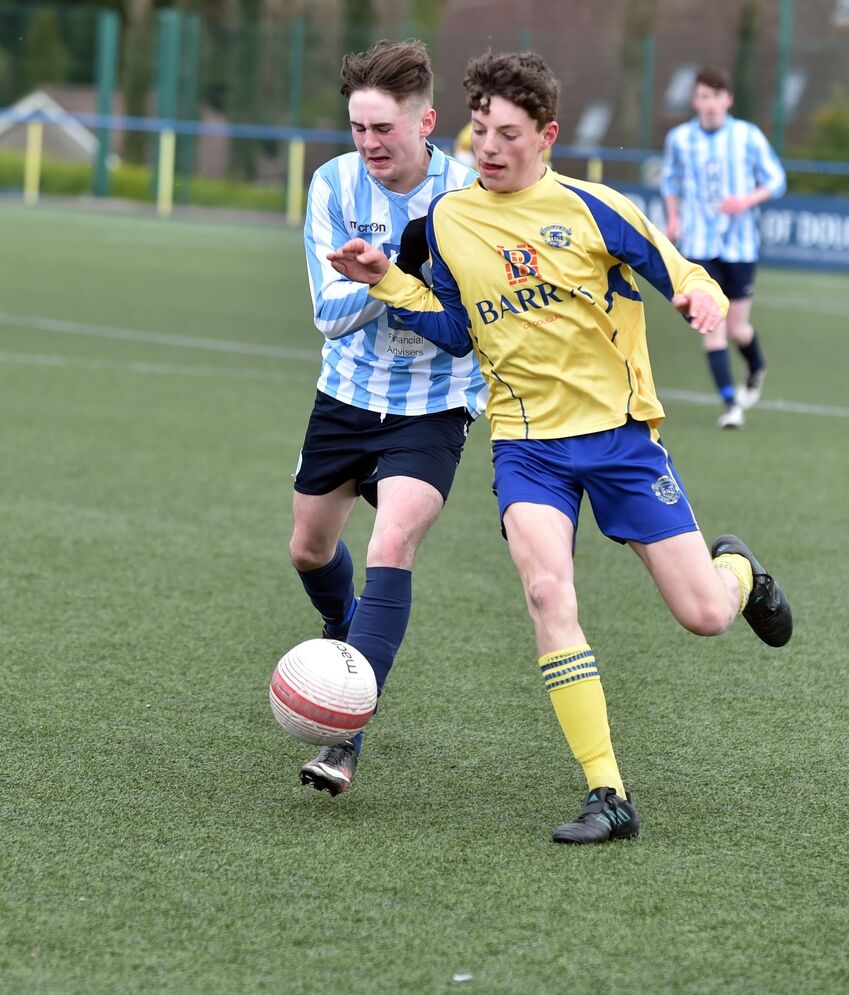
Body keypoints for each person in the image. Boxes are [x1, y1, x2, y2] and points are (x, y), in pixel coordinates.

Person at [328, 50, 794, 844]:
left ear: (547, 135)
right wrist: (385, 280)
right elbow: (454, 333)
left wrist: (698, 297)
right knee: (548, 594)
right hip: (526, 446)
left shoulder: (594, 208)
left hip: (621, 443)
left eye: (508, 134)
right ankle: (607, 793)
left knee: (704, 615)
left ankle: (740, 572)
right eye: (480, 131)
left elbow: (689, 272)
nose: (490, 148)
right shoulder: (446, 220)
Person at [290, 39, 483, 795]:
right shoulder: (334, 185)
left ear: (425, 121)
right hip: (345, 393)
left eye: (384, 129)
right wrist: (390, 280)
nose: (369, 144)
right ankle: (347, 634)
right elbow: (327, 315)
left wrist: (390, 278)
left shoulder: (467, 196)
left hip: (434, 403)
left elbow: (469, 322)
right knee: (309, 550)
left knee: (392, 542)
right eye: (358, 128)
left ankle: (344, 734)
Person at [661, 67, 787, 430]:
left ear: (728, 100)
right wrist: (673, 217)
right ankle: (731, 405)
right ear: (695, 100)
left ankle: (756, 366)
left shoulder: (747, 136)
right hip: (700, 246)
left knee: (737, 329)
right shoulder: (680, 139)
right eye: (703, 96)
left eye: (716, 97)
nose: (710, 104)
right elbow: (670, 181)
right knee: (711, 326)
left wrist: (747, 200)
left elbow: (776, 179)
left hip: (741, 246)